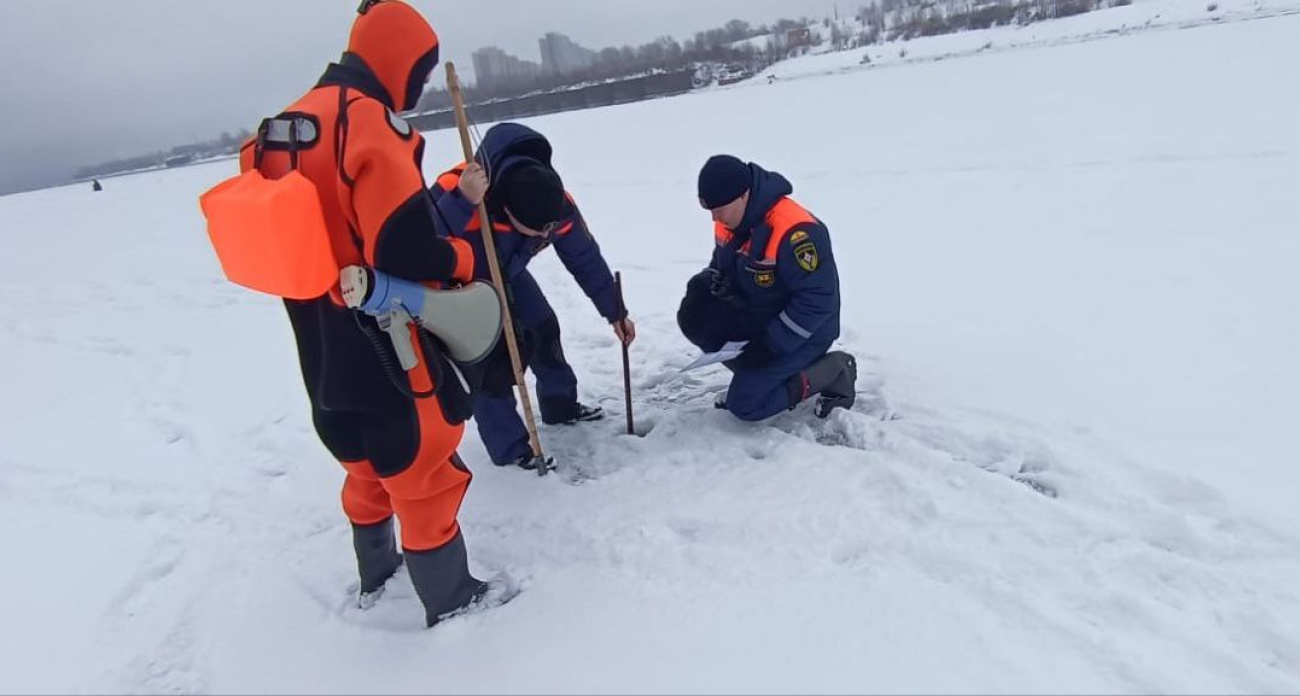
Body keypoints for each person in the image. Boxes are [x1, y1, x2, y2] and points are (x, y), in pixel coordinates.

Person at [237, 0, 487, 627]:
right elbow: (401, 248)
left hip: (316, 336)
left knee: (361, 458)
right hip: (384, 331)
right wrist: (459, 256)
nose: (420, 89)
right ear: (400, 59)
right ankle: (453, 601)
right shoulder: (365, 121)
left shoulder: (283, 125)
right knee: (419, 458)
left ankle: (376, 573)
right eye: (420, 73)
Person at [430, 123, 635, 470]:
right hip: (461, 288)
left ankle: (560, 405)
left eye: (550, 229)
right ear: (507, 211)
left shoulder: (554, 202)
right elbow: (417, 242)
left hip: (508, 273)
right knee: (487, 365)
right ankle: (511, 451)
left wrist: (615, 311)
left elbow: (584, 257)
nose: (546, 235)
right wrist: (462, 203)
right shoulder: (459, 190)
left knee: (543, 327)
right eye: (538, 231)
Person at [678, 155, 857, 421]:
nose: (714, 217)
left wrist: (770, 345)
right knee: (700, 324)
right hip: (762, 315)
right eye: (710, 210)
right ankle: (761, 374)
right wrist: (706, 286)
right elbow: (722, 265)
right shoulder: (728, 219)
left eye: (719, 208)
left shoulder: (797, 233)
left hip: (806, 331)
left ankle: (835, 370)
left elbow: (818, 300)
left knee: (746, 404)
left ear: (743, 195)